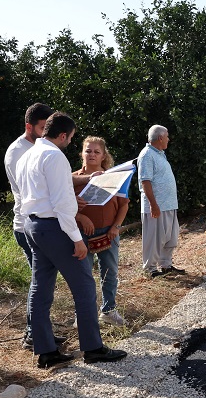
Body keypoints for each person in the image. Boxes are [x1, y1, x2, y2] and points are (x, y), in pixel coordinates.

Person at [16, 112, 127, 368]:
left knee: (40, 287)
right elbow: (62, 205)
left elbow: (34, 195)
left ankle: (46, 352)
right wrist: (77, 240)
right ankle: (93, 348)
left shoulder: (29, 154)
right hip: (54, 228)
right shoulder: (55, 156)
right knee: (85, 287)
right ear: (63, 135)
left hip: (32, 224)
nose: (70, 143)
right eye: (71, 138)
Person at [3, 103, 66, 351]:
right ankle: (34, 334)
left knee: (44, 282)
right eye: (42, 128)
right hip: (28, 224)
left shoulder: (38, 146)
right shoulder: (18, 152)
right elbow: (34, 190)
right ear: (29, 126)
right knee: (40, 283)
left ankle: (42, 332)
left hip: (37, 222)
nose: (45, 132)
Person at [73, 136, 129, 326]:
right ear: (82, 153)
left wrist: (116, 226)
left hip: (109, 232)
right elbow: (60, 207)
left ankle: (108, 310)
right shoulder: (72, 178)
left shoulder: (114, 177)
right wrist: (80, 216)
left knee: (110, 272)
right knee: (83, 275)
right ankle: (83, 315)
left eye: (97, 152)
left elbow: (123, 205)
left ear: (104, 155)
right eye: (88, 150)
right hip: (80, 233)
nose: (92, 155)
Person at [138, 125, 185, 279]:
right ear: (160, 138)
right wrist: (153, 204)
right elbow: (145, 181)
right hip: (157, 206)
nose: (168, 139)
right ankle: (150, 269)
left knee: (170, 238)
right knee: (154, 240)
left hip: (169, 205)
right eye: (167, 136)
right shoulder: (146, 155)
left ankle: (165, 265)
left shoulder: (159, 154)